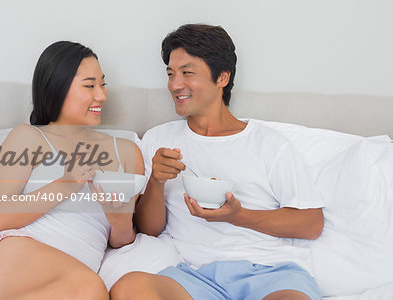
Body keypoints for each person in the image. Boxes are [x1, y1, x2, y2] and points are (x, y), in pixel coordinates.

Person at [110, 24, 324, 300]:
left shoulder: (269, 143)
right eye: (171, 74)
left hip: (271, 274)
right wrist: (156, 181)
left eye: (187, 73)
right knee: (129, 288)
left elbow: (311, 224)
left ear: (222, 77)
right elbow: (149, 229)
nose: (175, 85)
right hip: (194, 276)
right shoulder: (158, 140)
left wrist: (239, 216)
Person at [0, 41, 144, 299]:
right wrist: (66, 184)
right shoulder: (28, 138)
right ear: (57, 87)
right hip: (14, 258)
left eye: (103, 84)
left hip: (75, 275)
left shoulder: (127, 152)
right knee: (91, 290)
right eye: (89, 85)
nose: (101, 96)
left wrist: (120, 224)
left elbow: (121, 240)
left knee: (89, 290)